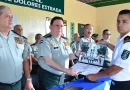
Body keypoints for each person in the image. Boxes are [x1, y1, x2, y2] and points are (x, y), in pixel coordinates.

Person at [86, 9, 130, 90]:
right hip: (116, 82)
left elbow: (115, 69)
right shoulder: (123, 39)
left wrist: (96, 76)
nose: (119, 24)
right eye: (118, 21)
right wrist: (106, 43)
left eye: (124, 21)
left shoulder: (128, 43)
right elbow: (117, 50)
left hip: (124, 84)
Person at [37, 16, 80, 90]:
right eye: (57, 25)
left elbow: (69, 55)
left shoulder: (65, 40)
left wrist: (77, 54)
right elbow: (49, 61)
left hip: (61, 75)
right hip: (48, 76)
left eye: (62, 26)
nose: (60, 28)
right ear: (50, 27)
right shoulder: (45, 40)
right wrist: (67, 71)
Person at [0, 5, 34, 90]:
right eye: (7, 16)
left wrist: (28, 79)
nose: (11, 19)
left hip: (18, 84)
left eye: (12, 16)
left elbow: (24, 59)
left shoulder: (18, 38)